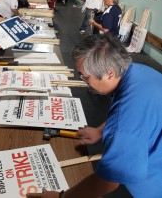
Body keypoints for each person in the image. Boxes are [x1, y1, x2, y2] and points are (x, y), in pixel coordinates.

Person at [27, 34, 162, 198]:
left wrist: (60, 197)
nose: (85, 81)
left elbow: (108, 182)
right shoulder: (140, 72)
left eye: (86, 76)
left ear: (110, 73)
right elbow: (139, 117)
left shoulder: (124, 123)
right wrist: (100, 131)